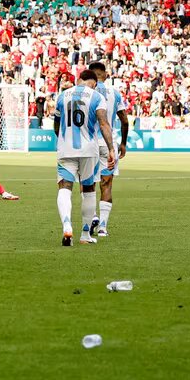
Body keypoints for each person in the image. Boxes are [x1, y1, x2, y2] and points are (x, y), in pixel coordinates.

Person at [55, 68, 115, 246]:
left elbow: (56, 125)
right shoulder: (97, 97)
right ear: (94, 83)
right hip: (89, 149)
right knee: (88, 189)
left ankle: (67, 224)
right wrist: (111, 148)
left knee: (65, 188)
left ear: (79, 79)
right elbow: (103, 123)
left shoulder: (62, 96)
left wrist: (62, 141)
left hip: (66, 149)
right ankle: (85, 234)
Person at [88, 62, 128, 237]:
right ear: (105, 74)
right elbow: (125, 120)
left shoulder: (86, 93)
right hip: (107, 144)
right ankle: (103, 227)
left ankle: (93, 216)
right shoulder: (115, 93)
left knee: (87, 184)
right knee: (107, 184)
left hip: (88, 143)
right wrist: (123, 143)